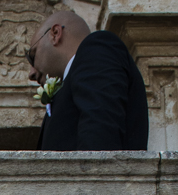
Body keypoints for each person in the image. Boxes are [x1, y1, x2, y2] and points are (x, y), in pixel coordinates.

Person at [30, 10, 148, 151]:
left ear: (55, 33)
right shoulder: (77, 75)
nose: (31, 73)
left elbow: (100, 136)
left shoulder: (96, 50)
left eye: (32, 55)